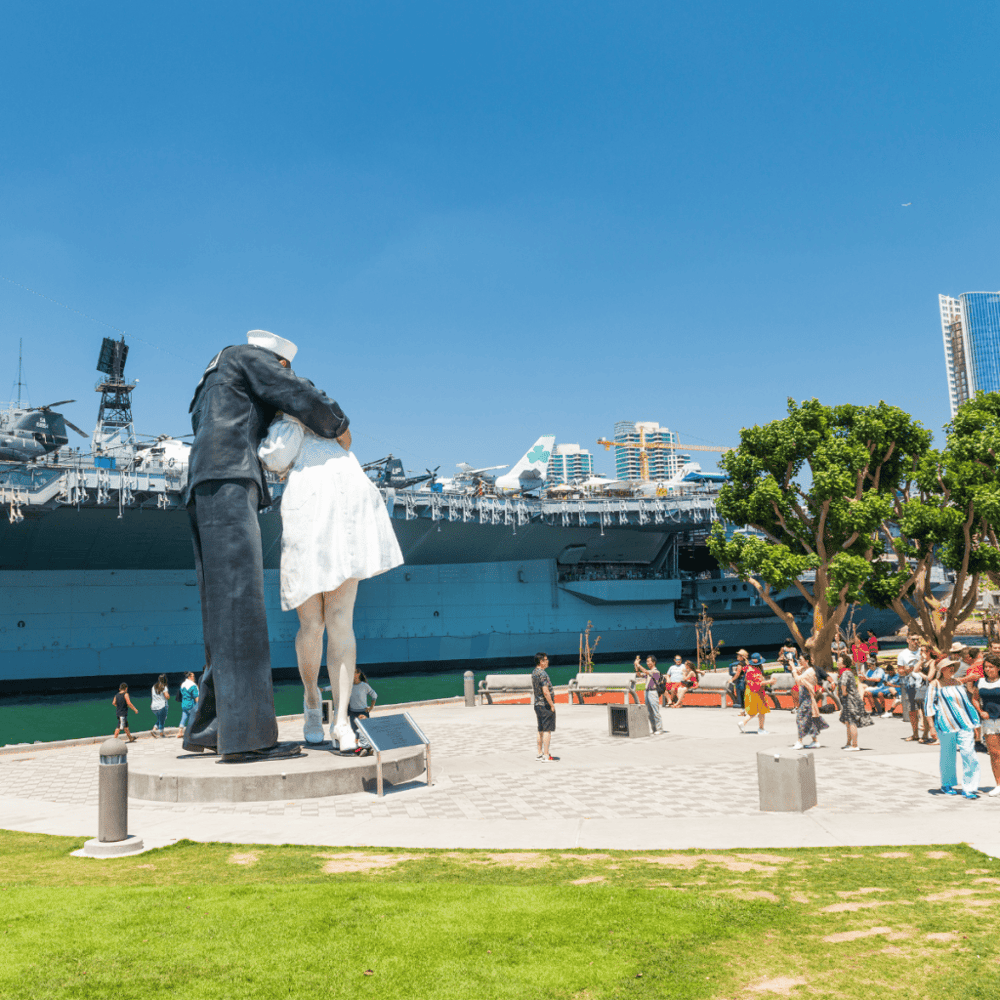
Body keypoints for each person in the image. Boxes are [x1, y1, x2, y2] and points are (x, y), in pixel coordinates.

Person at [182, 330, 350, 764]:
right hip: (232, 480)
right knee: (242, 607)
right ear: (277, 362)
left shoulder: (212, 376)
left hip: (203, 482)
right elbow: (297, 394)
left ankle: (211, 726)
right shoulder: (250, 359)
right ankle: (249, 737)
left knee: (219, 610)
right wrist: (337, 422)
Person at [258, 400, 403, 751]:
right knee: (311, 624)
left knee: (340, 621)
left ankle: (340, 720)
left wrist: (325, 417)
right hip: (309, 517)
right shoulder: (285, 420)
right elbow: (274, 459)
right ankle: (311, 699)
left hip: (346, 512)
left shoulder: (324, 412)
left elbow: (346, 440)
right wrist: (294, 418)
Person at [926, 657, 981, 799]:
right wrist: (931, 727)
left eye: (952, 667)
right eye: (948, 667)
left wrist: (973, 723)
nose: (951, 669)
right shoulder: (935, 684)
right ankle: (947, 784)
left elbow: (965, 703)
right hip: (945, 725)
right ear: (941, 670)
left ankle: (969, 787)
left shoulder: (957, 682)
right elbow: (928, 707)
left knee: (969, 754)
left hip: (964, 723)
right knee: (947, 755)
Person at [971, 653, 1000, 797]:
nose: (988, 669)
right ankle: (999, 784)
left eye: (991, 667)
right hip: (989, 721)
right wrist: (980, 711)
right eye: (986, 667)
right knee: (994, 754)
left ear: (998, 668)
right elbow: (975, 698)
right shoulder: (980, 682)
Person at [790, 659, 829, 749]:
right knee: (810, 720)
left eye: (801, 660)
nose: (799, 661)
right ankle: (815, 741)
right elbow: (800, 676)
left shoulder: (810, 671)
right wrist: (795, 668)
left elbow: (798, 680)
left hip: (808, 699)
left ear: (806, 661)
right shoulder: (807, 669)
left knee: (800, 718)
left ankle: (800, 741)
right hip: (805, 698)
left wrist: (793, 667)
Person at [837, 653, 872, 751]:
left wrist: (843, 693)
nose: (837, 662)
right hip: (849, 700)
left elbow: (843, 685)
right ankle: (849, 743)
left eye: (839, 661)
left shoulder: (845, 673)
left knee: (851, 722)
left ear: (844, 664)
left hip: (850, 700)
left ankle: (854, 745)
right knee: (848, 722)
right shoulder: (847, 672)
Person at [896, 637, 927, 742]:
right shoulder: (902, 654)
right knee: (912, 710)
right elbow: (900, 670)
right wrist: (905, 671)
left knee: (924, 709)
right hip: (910, 684)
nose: (916, 641)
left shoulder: (923, 651)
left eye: (918, 639)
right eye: (913, 639)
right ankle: (915, 734)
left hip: (923, 684)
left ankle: (925, 734)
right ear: (908, 640)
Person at [532, 652, 557, 761]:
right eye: (546, 660)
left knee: (540, 729)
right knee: (547, 730)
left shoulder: (534, 672)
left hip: (537, 704)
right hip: (545, 705)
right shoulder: (542, 674)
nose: (547, 661)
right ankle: (546, 755)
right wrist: (551, 705)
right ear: (541, 662)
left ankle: (539, 753)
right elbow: (545, 691)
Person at [737, 657, 771, 734]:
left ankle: (743, 722)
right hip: (757, 692)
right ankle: (761, 728)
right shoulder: (756, 672)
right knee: (762, 711)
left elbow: (744, 669)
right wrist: (770, 681)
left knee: (753, 712)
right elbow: (759, 683)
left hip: (749, 692)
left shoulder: (748, 668)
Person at [348, 669, 378, 755]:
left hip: (363, 712)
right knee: (355, 732)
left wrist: (371, 707)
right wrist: (324, 689)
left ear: (358, 674)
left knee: (364, 732)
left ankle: (362, 750)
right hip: (353, 712)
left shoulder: (364, 686)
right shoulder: (349, 685)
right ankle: (366, 750)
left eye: (354, 672)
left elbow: (374, 695)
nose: (352, 674)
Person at [635, 655, 664, 733]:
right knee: (649, 712)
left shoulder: (656, 671)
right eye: (647, 661)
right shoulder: (649, 672)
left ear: (653, 662)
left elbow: (646, 672)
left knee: (655, 711)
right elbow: (639, 675)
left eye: (648, 661)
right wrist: (636, 667)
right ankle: (653, 728)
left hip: (653, 692)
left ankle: (659, 729)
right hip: (647, 692)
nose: (647, 663)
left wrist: (638, 665)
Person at [177, 672, 200, 739]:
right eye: (193, 676)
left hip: (184, 704)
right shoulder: (193, 685)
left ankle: (180, 732)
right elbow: (196, 697)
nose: (194, 678)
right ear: (189, 677)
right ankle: (190, 733)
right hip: (191, 705)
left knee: (184, 717)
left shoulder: (183, 684)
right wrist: (198, 706)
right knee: (193, 719)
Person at [729, 649, 749, 715]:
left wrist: (732, 680)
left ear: (741, 657)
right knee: (746, 696)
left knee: (741, 696)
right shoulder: (747, 663)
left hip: (741, 681)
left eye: (739, 655)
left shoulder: (740, 664)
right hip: (747, 681)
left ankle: (743, 711)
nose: (737, 656)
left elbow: (737, 674)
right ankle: (745, 711)